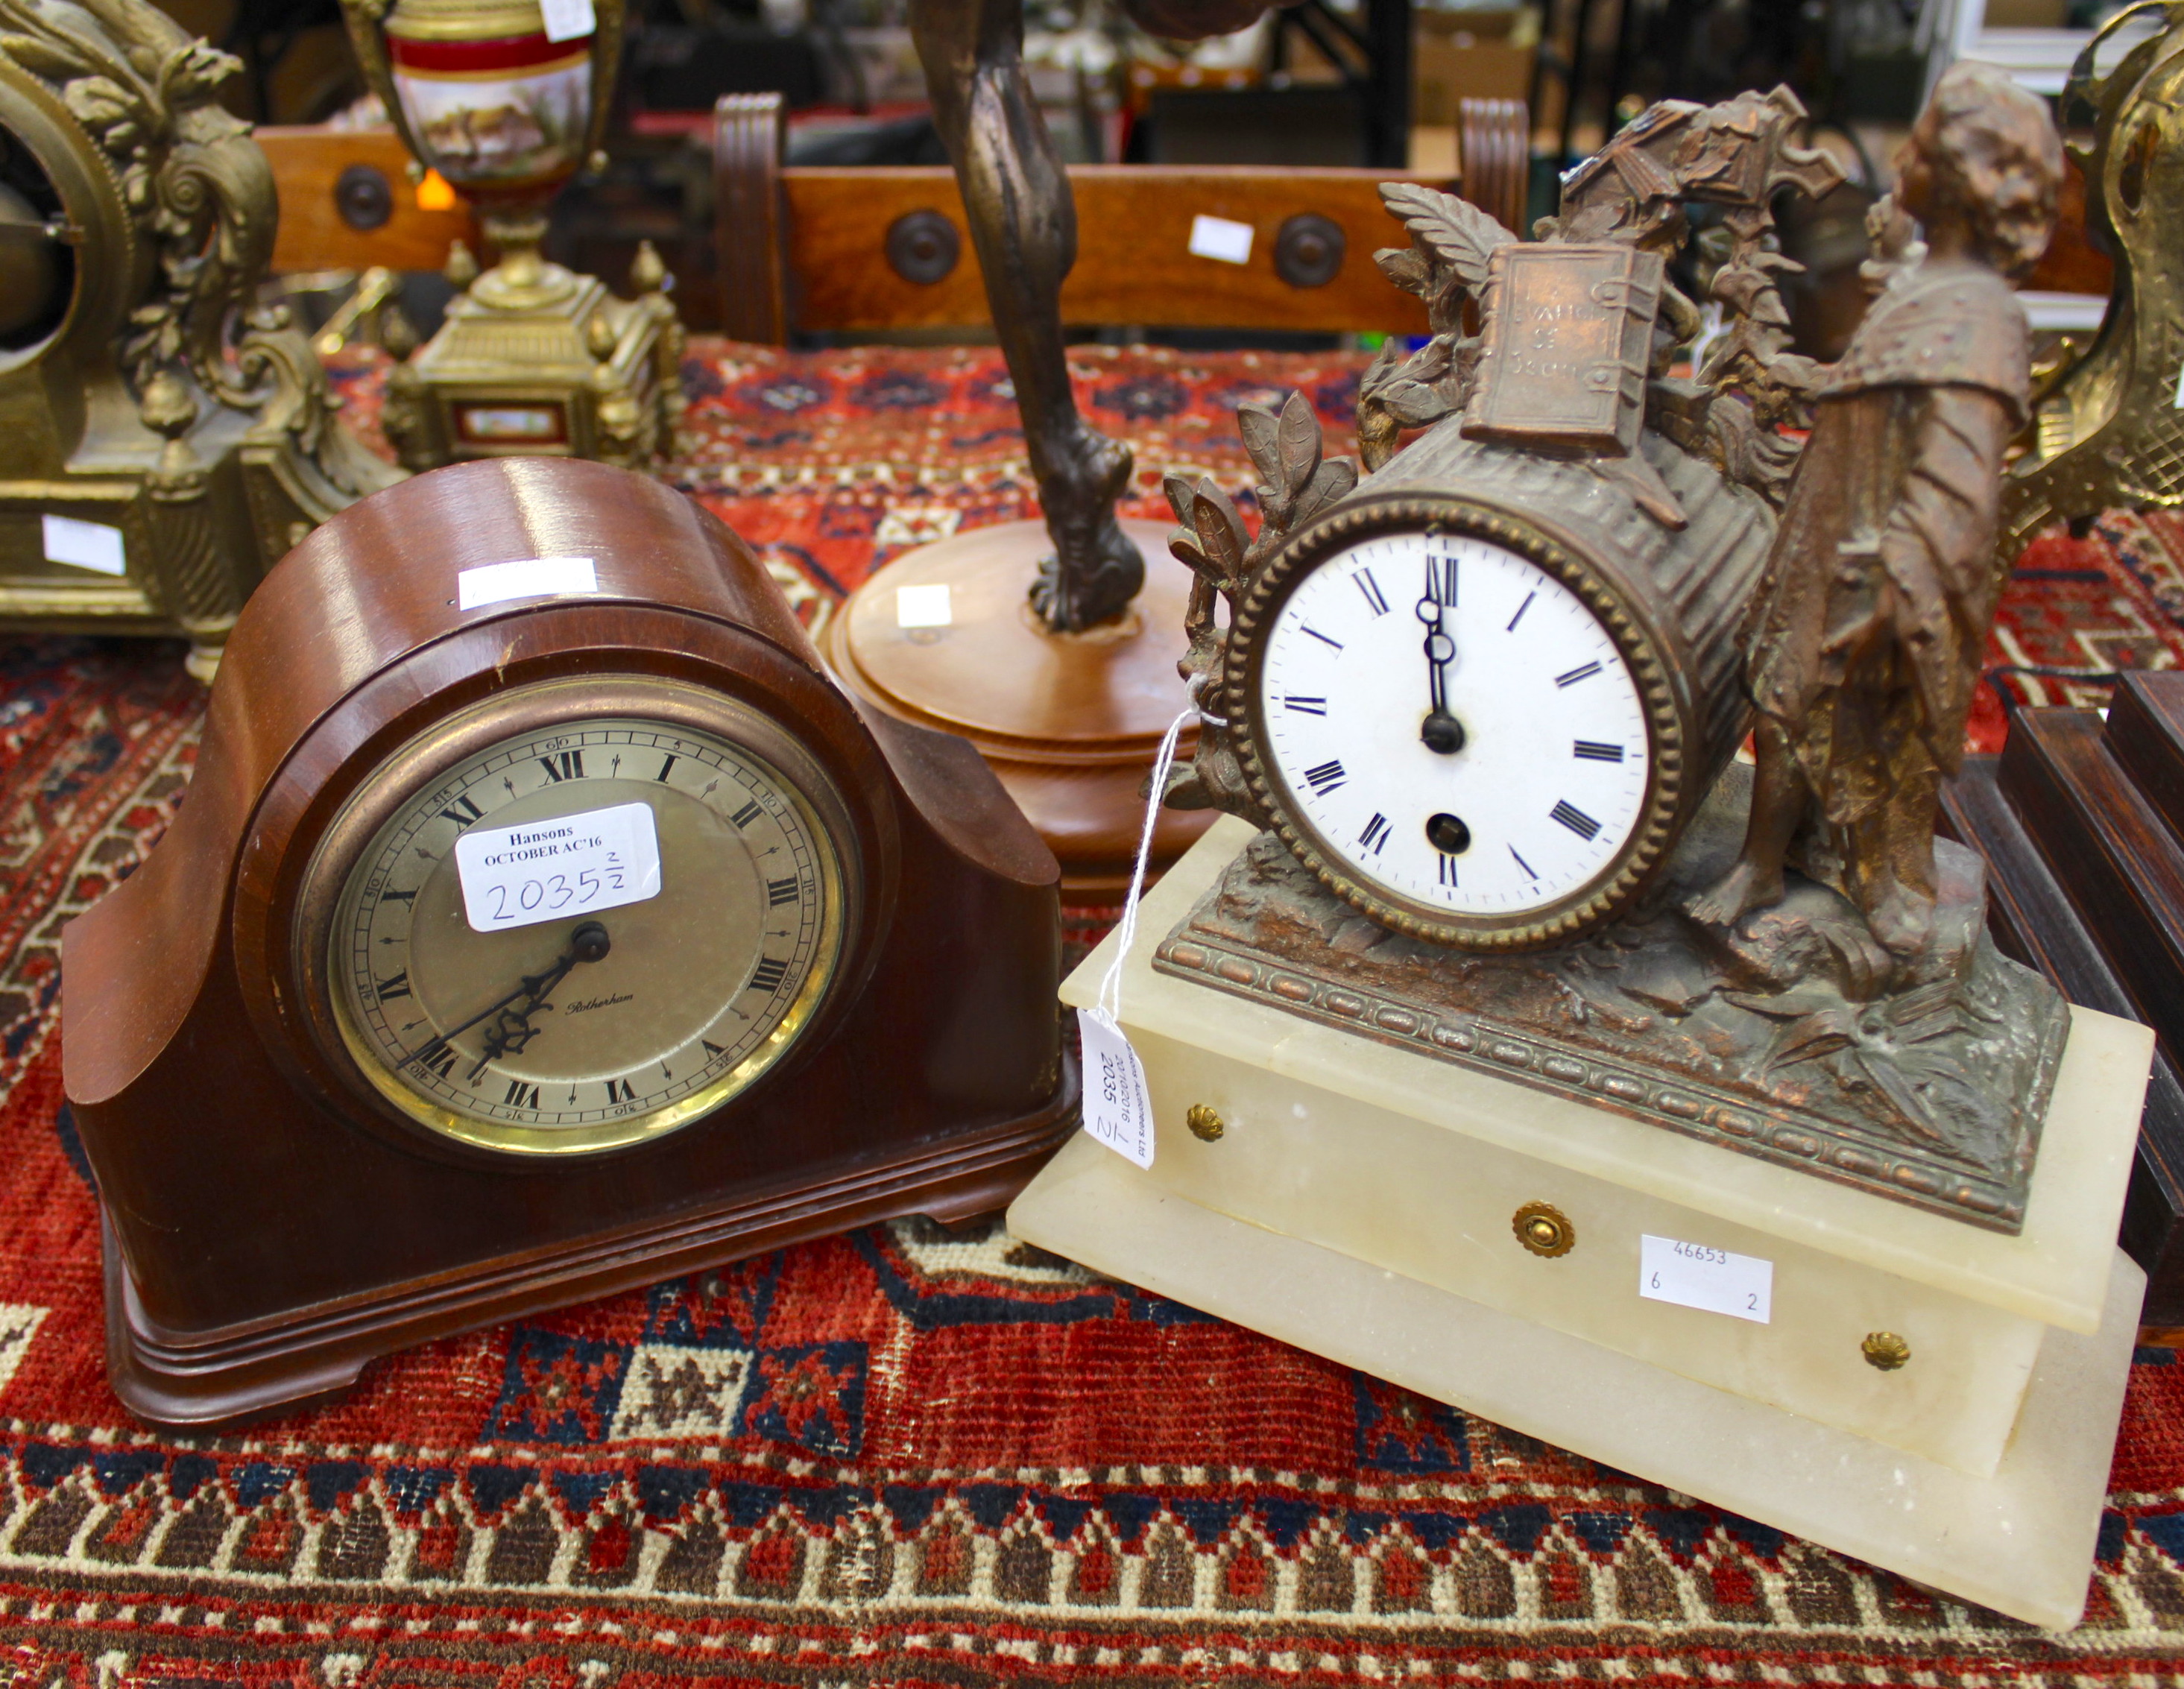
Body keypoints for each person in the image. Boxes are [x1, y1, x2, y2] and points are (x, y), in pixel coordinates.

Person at [1686, 60, 2063, 957]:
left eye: (1922, 150)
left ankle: (1882, 886)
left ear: (1961, 181)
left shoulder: (1978, 318)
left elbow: (1958, 477)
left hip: (1886, 554)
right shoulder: (1917, 285)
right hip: (1827, 520)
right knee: (1778, 696)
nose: (1902, 159)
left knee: (1873, 728)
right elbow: (1859, 397)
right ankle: (1762, 861)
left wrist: (1899, 575)